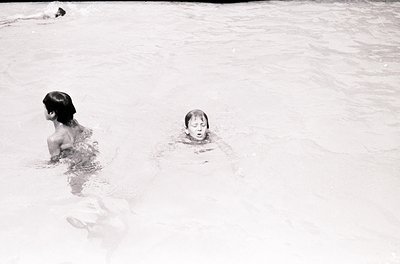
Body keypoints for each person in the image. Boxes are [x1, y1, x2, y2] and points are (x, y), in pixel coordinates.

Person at [43, 91, 85, 162]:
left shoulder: (53, 139)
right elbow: (87, 132)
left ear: (52, 113)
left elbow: (55, 162)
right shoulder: (75, 123)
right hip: (85, 160)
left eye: (44, 108)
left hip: (74, 169)